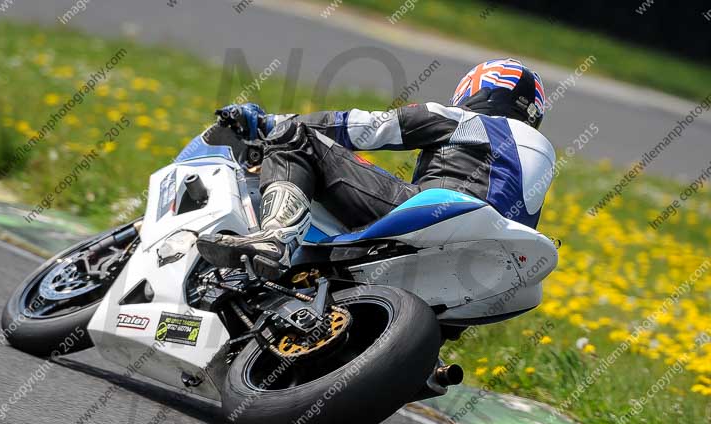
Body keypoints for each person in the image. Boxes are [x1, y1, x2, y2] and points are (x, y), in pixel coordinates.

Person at [197, 58, 556, 279]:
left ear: (478, 88)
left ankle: (273, 240)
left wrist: (268, 124)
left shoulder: (468, 120)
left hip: (440, 213)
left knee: (297, 136)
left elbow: (368, 126)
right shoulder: (545, 157)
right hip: (488, 259)